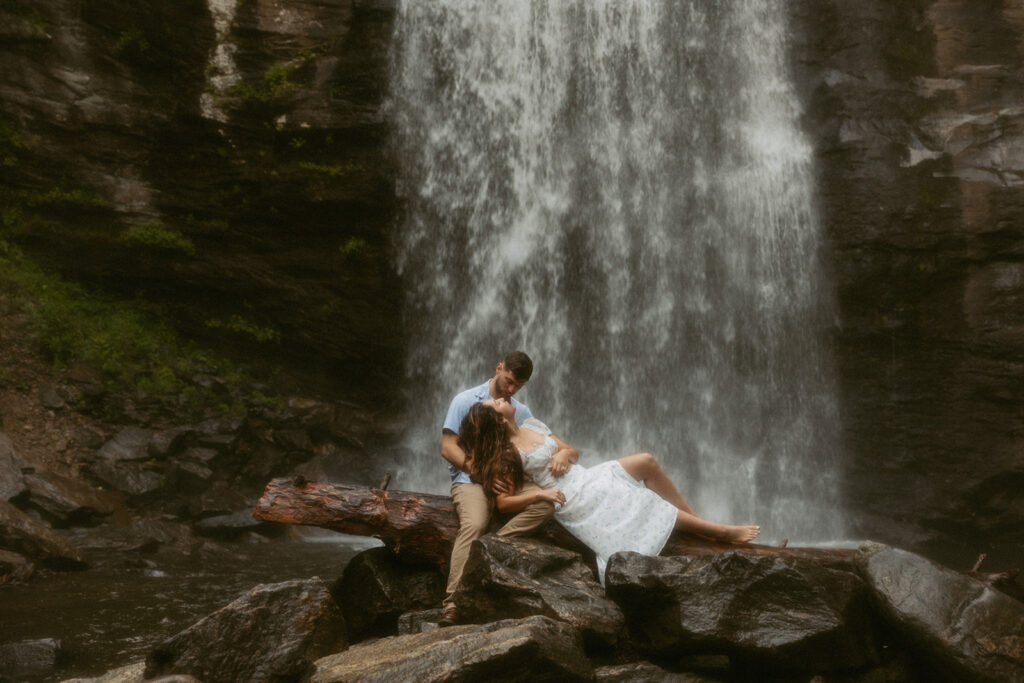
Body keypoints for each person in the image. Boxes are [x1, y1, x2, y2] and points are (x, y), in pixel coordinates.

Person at [460, 399, 760, 583]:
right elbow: (502, 499)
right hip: (572, 498)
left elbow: (572, 452)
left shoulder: (534, 425)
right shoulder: (507, 454)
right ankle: (719, 532)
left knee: (646, 461)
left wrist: (564, 455)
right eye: (496, 403)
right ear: (499, 419)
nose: (502, 398)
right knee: (637, 498)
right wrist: (538, 494)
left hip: (584, 477)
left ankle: (696, 522)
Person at [438, 351, 555, 626]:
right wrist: (481, 473)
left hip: (511, 476)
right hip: (472, 479)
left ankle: (491, 547)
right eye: (508, 381)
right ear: (498, 367)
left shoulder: (520, 412)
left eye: (518, 386)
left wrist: (561, 454)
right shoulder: (465, 400)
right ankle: (452, 603)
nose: (511, 389)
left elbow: (532, 445)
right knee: (475, 523)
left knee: (547, 504)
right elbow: (447, 447)